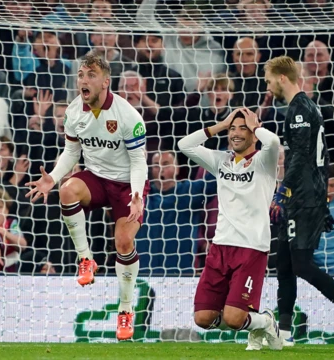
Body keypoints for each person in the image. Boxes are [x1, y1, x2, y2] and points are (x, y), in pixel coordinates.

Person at [25, 51, 148, 341]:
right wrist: (52, 180)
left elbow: (139, 162)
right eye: (81, 74)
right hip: (96, 178)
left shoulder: (128, 115)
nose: (84, 79)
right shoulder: (73, 111)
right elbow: (71, 152)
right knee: (67, 189)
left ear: (106, 81)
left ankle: (126, 310)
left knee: (124, 241)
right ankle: (85, 259)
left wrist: (137, 194)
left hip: (126, 185)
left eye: (91, 75)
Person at [265, 55, 334, 346]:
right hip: (300, 197)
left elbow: (299, 158)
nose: (268, 85)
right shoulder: (301, 107)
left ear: (282, 79)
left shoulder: (299, 109)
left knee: (300, 264)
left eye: (270, 80)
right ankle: (283, 334)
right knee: (285, 266)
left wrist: (282, 190)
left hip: (305, 197)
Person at [178, 108, 283, 351]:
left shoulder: (263, 161)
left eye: (242, 128)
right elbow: (185, 144)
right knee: (203, 318)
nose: (236, 133)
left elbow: (274, 141)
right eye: (233, 129)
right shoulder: (220, 161)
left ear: (254, 134)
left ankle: (266, 322)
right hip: (220, 246)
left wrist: (255, 126)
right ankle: (256, 323)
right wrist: (221, 124)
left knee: (234, 319)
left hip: (251, 248)